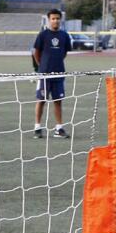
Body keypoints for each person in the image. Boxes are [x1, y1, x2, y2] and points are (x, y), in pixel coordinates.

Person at [31, 8, 72, 138]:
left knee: (58, 101)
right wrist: (41, 66)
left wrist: (56, 63)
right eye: (53, 18)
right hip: (44, 74)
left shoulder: (64, 35)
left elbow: (64, 53)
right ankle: (37, 128)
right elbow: (36, 52)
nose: (55, 21)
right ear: (49, 20)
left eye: (58, 18)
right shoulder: (43, 35)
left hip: (59, 73)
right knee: (41, 100)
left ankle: (58, 129)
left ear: (61, 20)